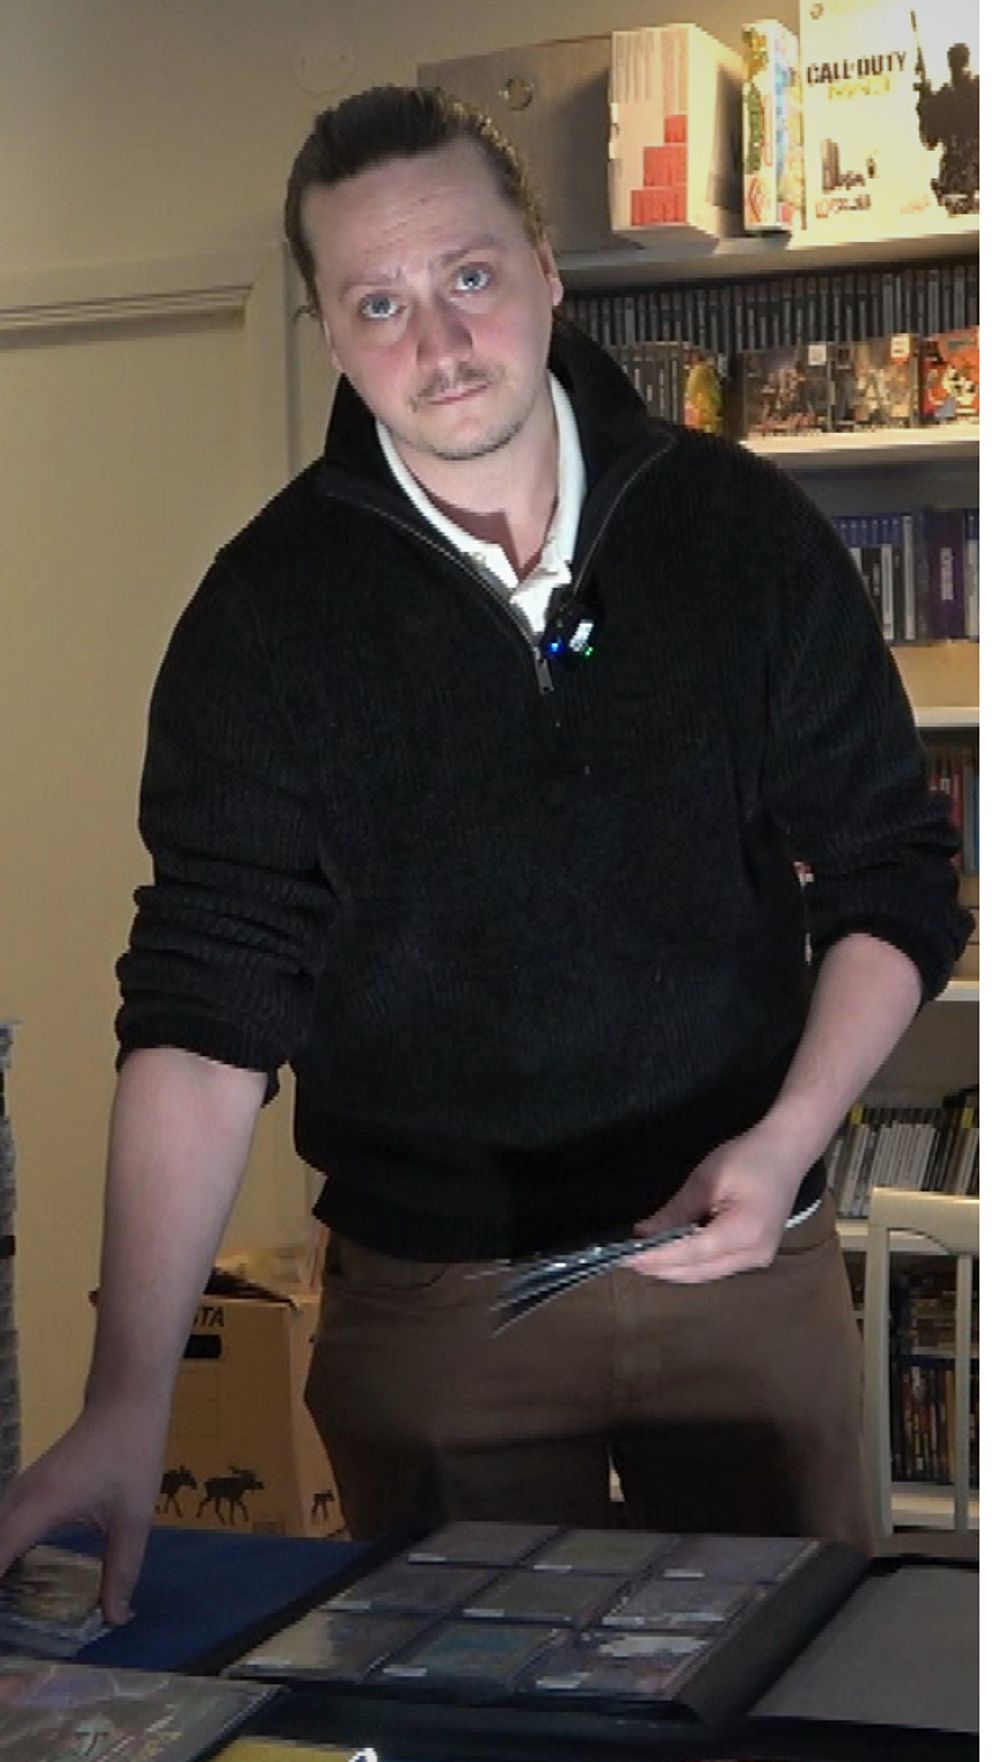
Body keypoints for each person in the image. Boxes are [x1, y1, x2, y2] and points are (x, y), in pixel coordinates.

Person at [0, 86, 970, 1620]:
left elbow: (894, 872)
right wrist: (130, 1397)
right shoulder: (264, 624)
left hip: (742, 1256)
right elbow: (203, 1010)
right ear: (331, 332)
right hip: (436, 1306)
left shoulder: (740, 534)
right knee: (463, 1701)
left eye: (468, 275)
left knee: (794, 1681)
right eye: (379, 303)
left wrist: (789, 1138)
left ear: (544, 266)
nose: (441, 342)